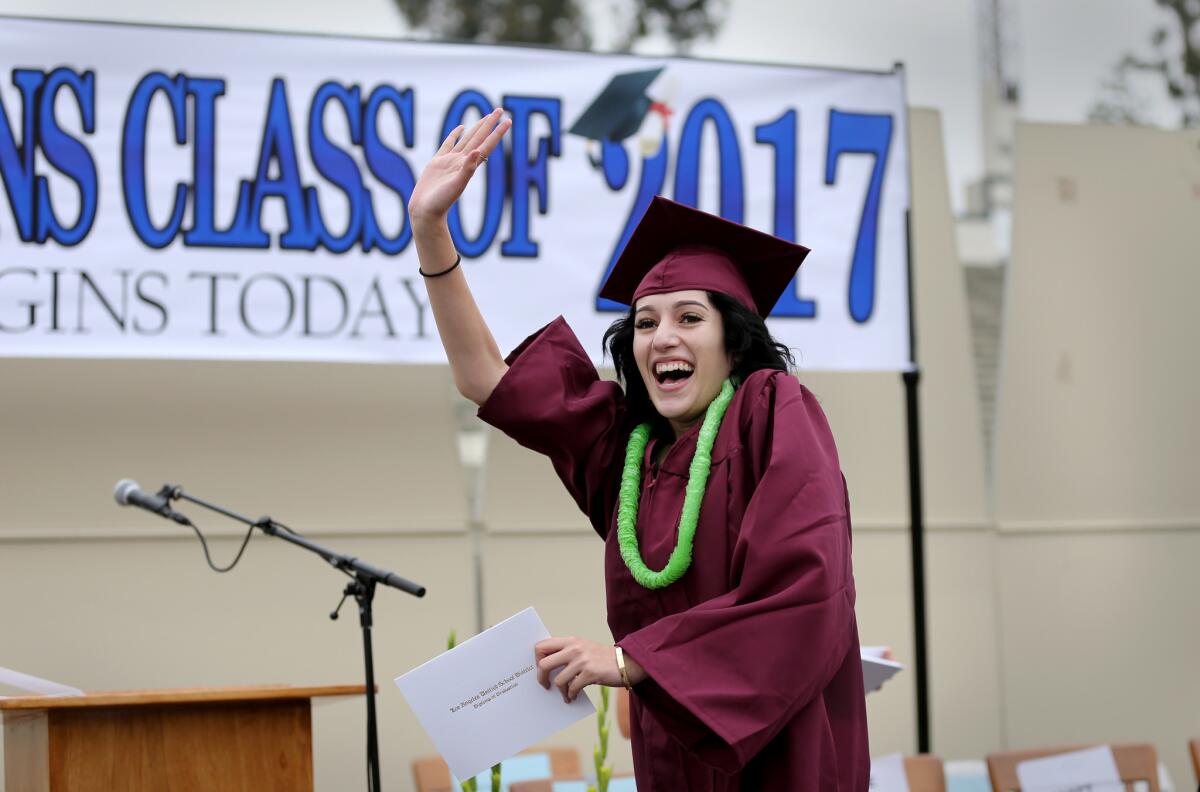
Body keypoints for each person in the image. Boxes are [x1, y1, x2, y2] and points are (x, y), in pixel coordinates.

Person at [409, 108, 869, 790]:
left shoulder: (771, 411)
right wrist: (430, 229)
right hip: (671, 754)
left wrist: (628, 663)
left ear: (733, 340)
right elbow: (485, 379)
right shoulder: (632, 454)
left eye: (690, 318)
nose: (663, 337)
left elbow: (806, 593)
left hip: (778, 755)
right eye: (646, 323)